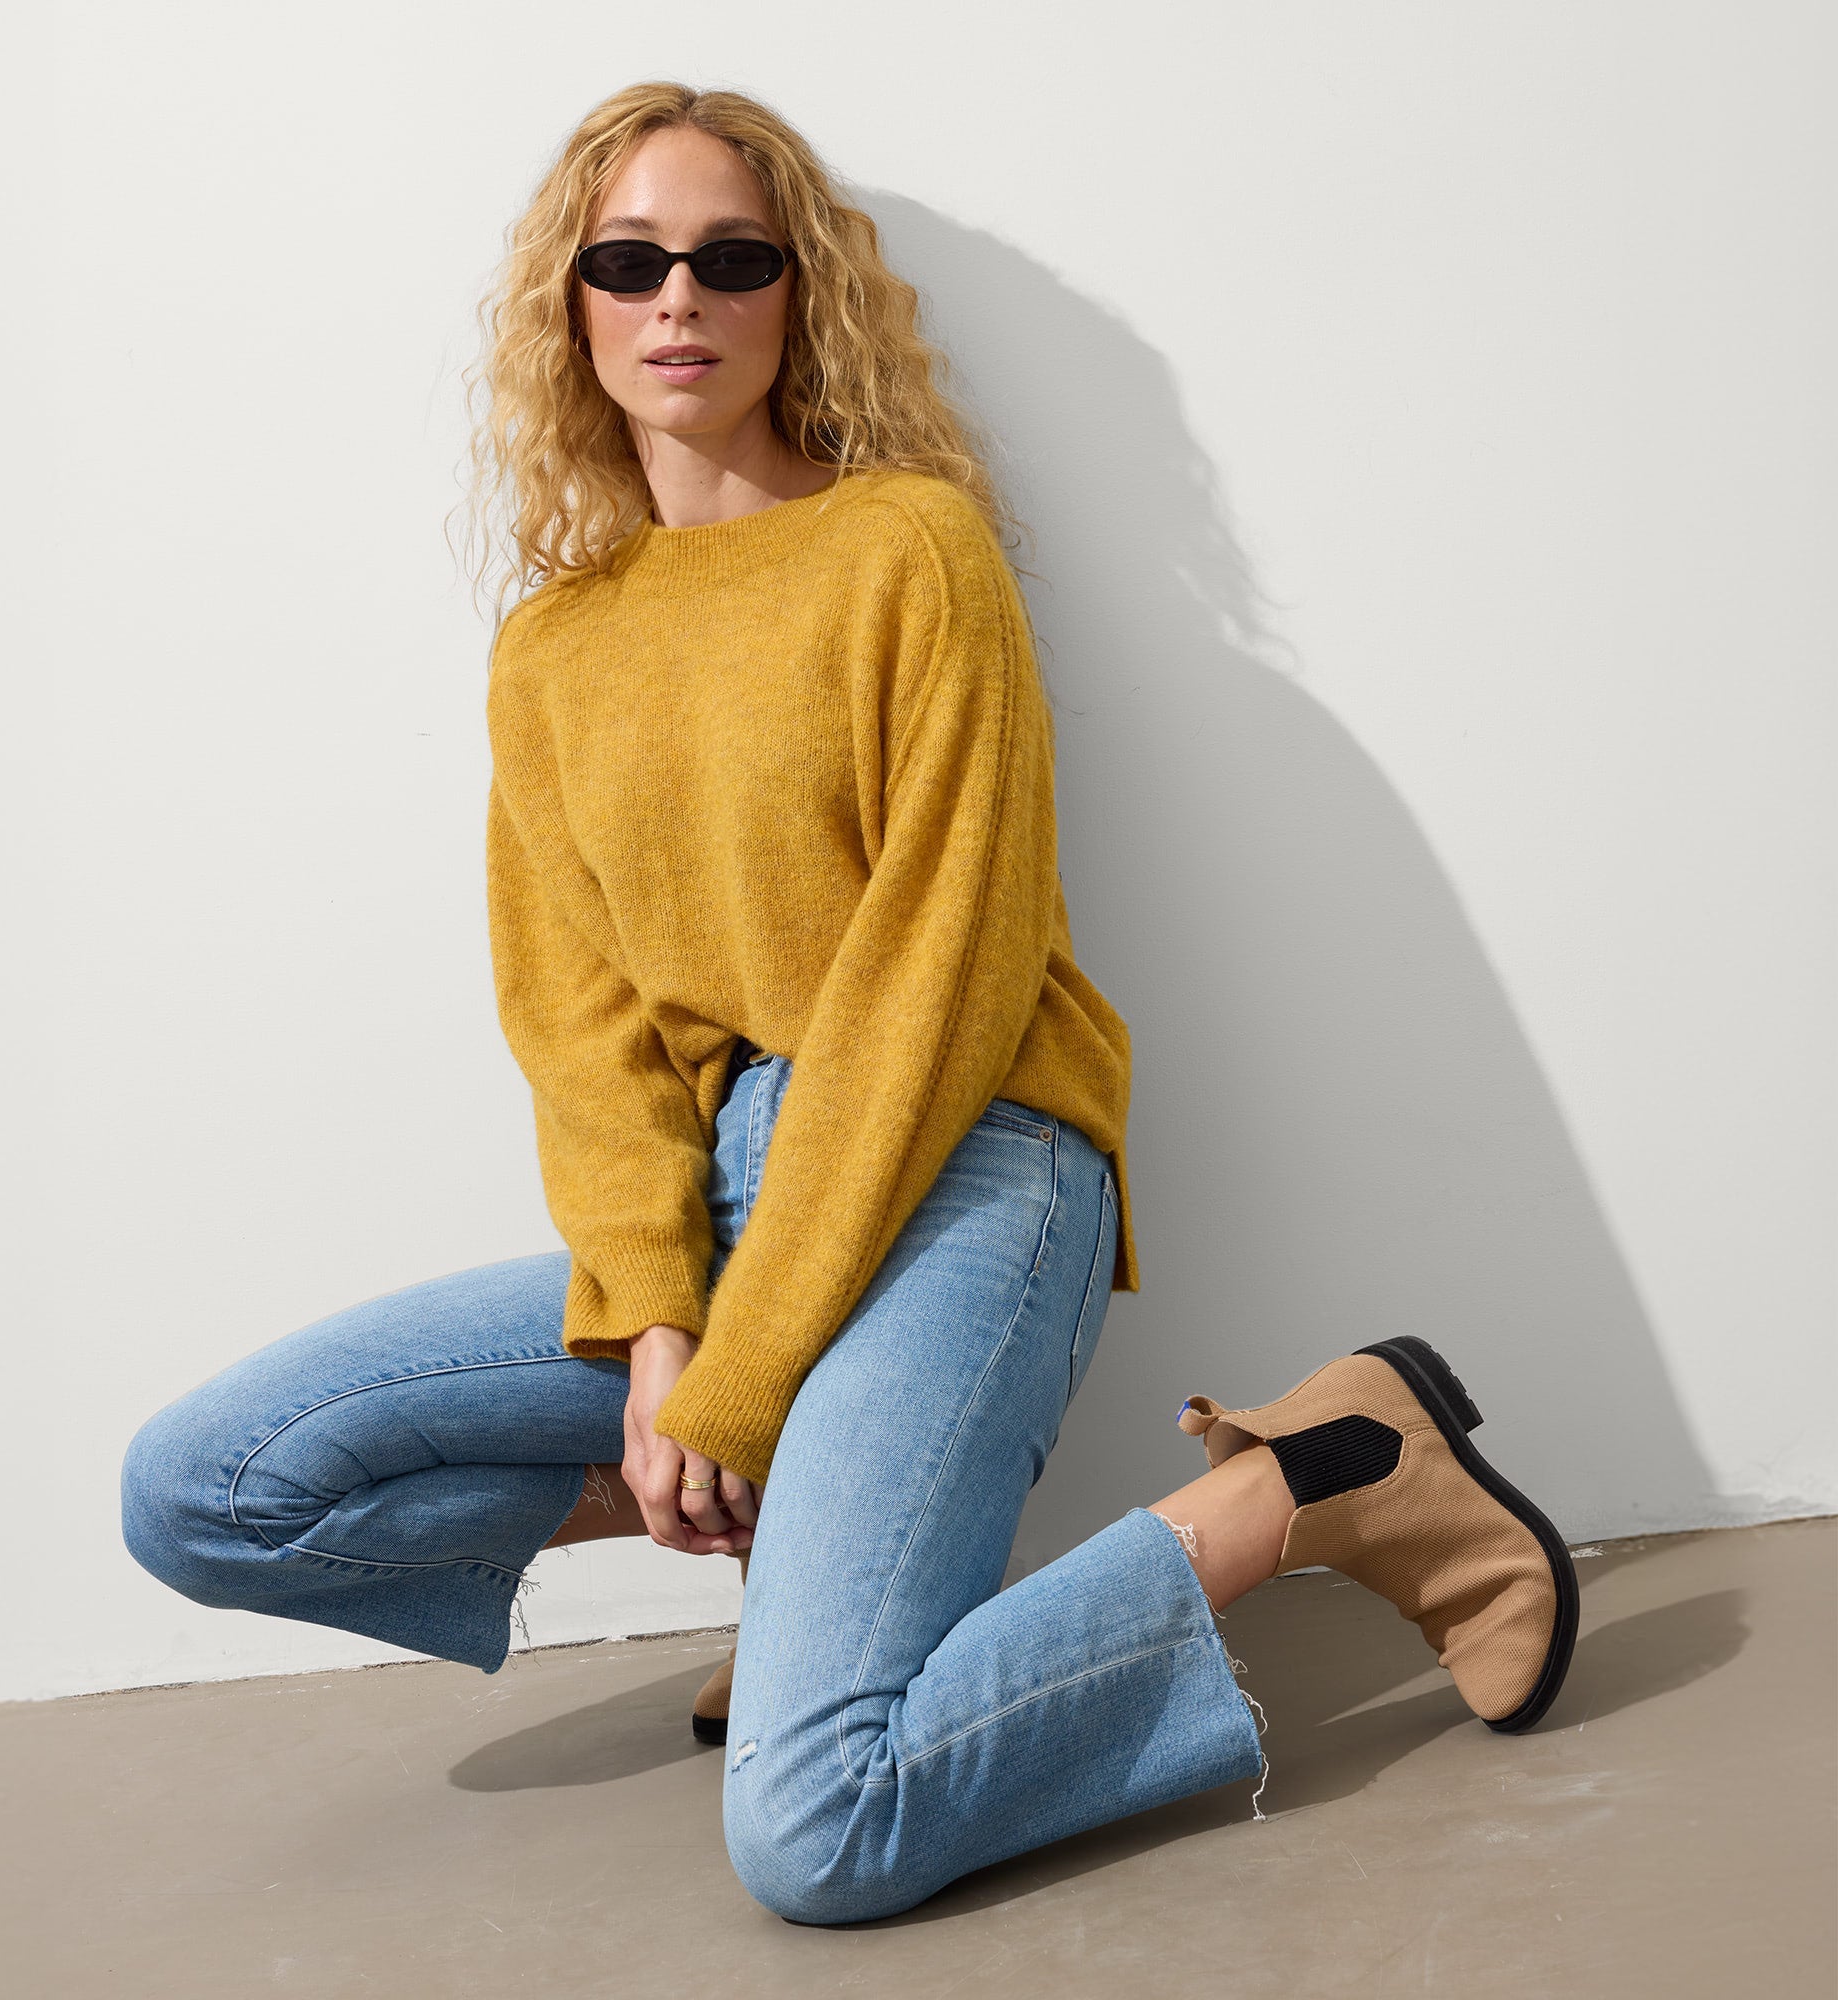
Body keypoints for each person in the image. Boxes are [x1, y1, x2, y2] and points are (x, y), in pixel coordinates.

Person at [120, 80, 1577, 1926]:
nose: (679, 297)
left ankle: (1326, 1470)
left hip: (971, 1154)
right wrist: (662, 1332)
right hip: (734, 1190)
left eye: (733, 259)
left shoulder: (910, 549)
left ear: (799, 293)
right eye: (628, 261)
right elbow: (586, 1034)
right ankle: (803, 1527)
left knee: (817, 1836)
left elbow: (934, 984)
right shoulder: (553, 647)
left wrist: (738, 1378)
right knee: (206, 1488)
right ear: (572, 304)